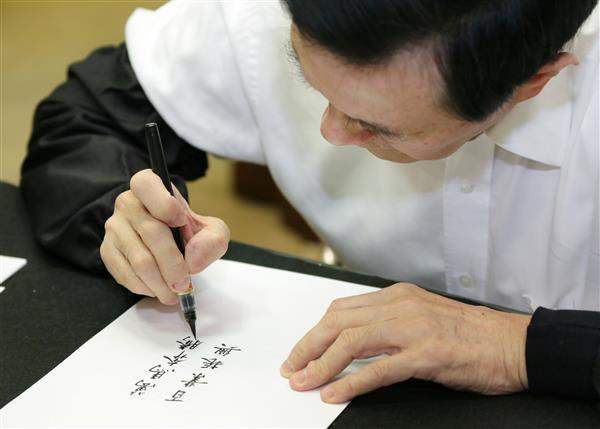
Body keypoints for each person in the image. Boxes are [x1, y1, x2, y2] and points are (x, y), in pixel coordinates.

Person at [21, 0, 599, 401]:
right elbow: (90, 116)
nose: (330, 132)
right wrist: (128, 215)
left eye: (378, 126)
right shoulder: (274, 14)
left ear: (534, 82)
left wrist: (520, 347)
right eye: (309, 81)